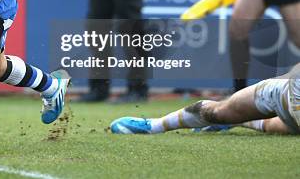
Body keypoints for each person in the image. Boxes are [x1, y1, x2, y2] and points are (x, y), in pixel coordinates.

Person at [110, 62, 300, 135]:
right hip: (279, 94)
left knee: (269, 126)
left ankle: (242, 122)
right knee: (218, 112)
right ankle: (155, 125)